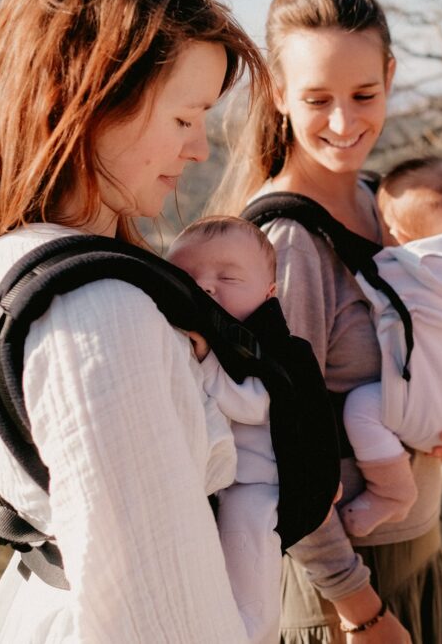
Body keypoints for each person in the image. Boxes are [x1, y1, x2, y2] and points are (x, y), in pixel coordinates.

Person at [0, 0, 269, 640]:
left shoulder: (6, 259)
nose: (201, 147)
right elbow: (165, 618)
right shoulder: (103, 315)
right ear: (89, 101)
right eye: (184, 116)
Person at [213, 0, 442, 644]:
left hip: (419, 556)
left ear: (391, 76)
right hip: (341, 592)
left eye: (364, 94)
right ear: (278, 92)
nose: (344, 123)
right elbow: (278, 451)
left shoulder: (390, 207)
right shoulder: (284, 244)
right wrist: (358, 605)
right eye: (317, 98)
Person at [339, 156, 442, 538]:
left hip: (429, 415)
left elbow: (360, 265)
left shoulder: (406, 268)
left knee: (361, 408)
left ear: (397, 233)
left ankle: (391, 491)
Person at [167, 216, 281, 644]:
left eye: (228, 277)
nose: (207, 287)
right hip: (213, 483)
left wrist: (208, 362)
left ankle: (255, 635)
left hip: (254, 485)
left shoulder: (267, 344)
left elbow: (257, 405)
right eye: (188, 277)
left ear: (270, 294)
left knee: (251, 566)